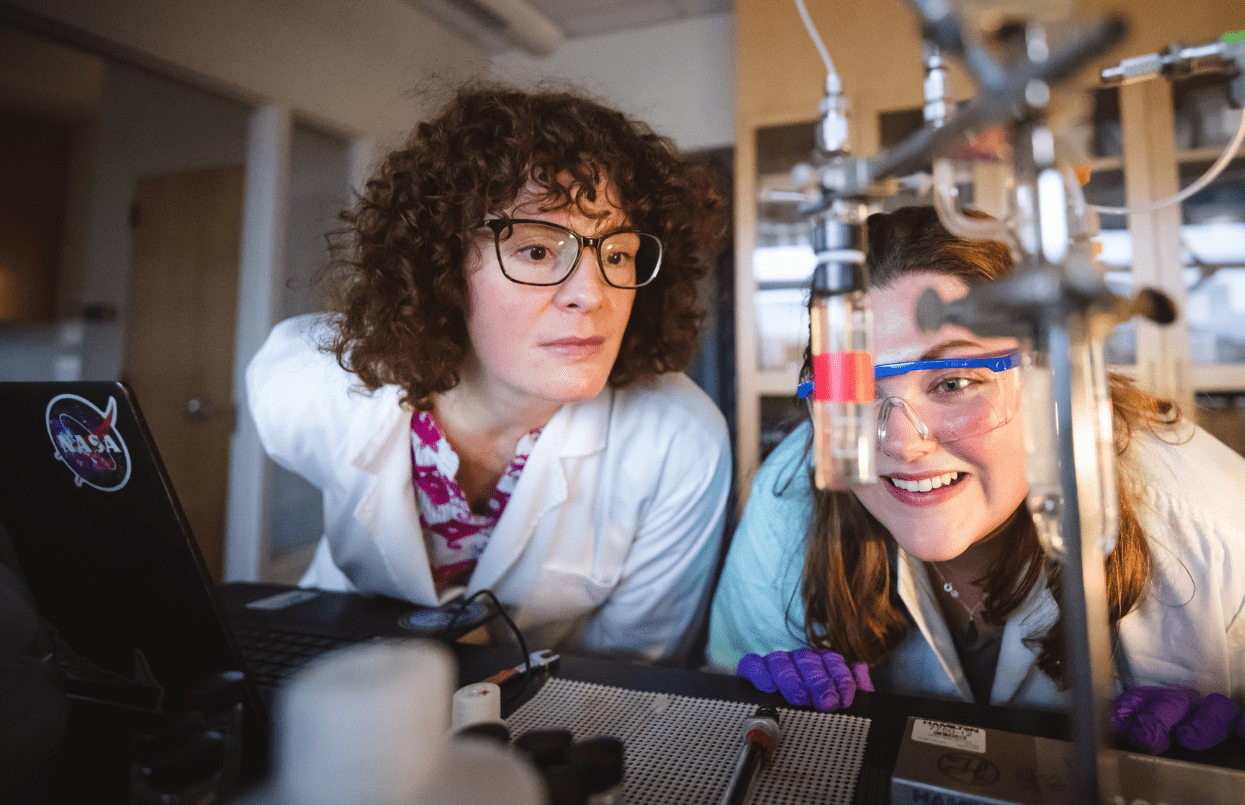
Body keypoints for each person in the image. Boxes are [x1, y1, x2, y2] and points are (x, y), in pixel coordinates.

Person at [708, 207, 1245, 731]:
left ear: (1051, 383)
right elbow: (732, 740)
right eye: (857, 392)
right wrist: (753, 707)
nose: (900, 442)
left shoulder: (1213, 525)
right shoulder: (790, 498)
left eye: (953, 382)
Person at [247, 83, 732, 664]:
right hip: (331, 677)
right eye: (536, 250)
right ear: (441, 267)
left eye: (617, 253)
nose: (593, 293)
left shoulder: (680, 442)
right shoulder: (309, 383)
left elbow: (629, 678)